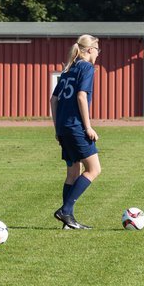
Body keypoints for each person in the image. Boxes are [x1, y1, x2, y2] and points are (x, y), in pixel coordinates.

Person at [51, 34, 100, 230]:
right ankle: (66, 209)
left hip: (64, 127)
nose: (98, 53)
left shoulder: (68, 69)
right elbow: (81, 96)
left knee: (73, 172)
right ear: (89, 50)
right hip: (76, 127)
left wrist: (57, 128)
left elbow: (53, 100)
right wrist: (87, 127)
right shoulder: (87, 67)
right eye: (97, 49)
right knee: (94, 169)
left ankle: (68, 222)